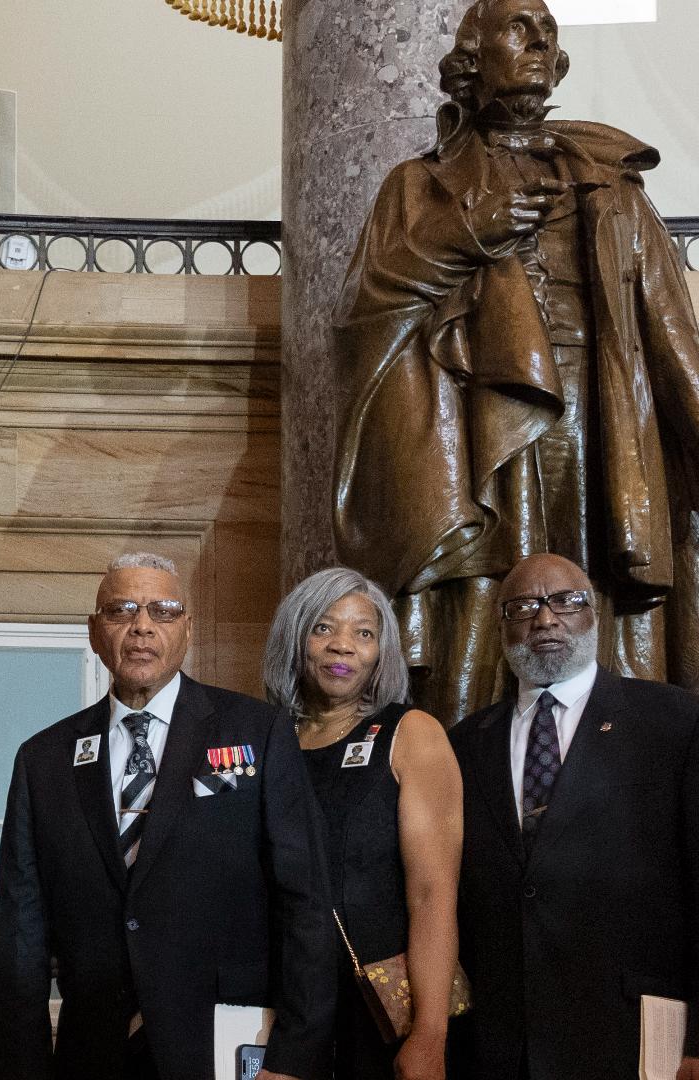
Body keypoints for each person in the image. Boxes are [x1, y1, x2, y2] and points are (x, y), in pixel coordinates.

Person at [334, 0, 699, 725]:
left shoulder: (610, 181)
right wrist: (468, 232)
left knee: (602, 594)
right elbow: (361, 313)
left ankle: (619, 770)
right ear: (471, 61)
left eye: (547, 34)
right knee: (484, 599)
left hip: (601, 417)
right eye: (517, 29)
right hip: (479, 427)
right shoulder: (420, 185)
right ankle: (469, 769)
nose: (537, 43)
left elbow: (673, 335)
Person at [0, 553, 336, 1080]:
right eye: (121, 610)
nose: (142, 627)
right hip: (93, 1055)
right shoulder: (44, 760)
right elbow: (22, 938)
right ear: (93, 631)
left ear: (189, 629)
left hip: (225, 1049)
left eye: (164, 611)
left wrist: (293, 1057)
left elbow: (306, 903)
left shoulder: (257, 733)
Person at [446, 553, 699, 1080]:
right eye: (524, 606)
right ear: (501, 625)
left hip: (632, 1033)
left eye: (566, 600)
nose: (545, 619)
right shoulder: (464, 743)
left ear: (594, 615)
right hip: (499, 1043)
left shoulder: (673, 722)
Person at [262, 568, 463, 1080]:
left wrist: (430, 1035)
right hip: (277, 1005)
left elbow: (433, 895)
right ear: (296, 638)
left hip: (378, 1013)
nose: (342, 647)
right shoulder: (265, 739)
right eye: (323, 628)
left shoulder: (410, 733)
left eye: (363, 633)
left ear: (381, 651)